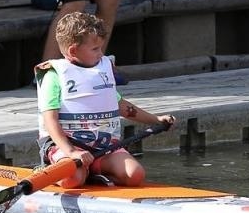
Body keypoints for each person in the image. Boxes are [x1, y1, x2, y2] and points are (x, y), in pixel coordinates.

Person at [35, 12, 175, 188]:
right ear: (73, 51)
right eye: (95, 49)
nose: (101, 54)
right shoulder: (53, 75)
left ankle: (93, 174)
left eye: (101, 48)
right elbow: (50, 121)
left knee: (135, 175)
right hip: (66, 146)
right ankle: (58, 169)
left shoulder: (103, 69)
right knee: (72, 179)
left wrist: (156, 119)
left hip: (103, 147)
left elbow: (122, 106)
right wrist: (70, 152)